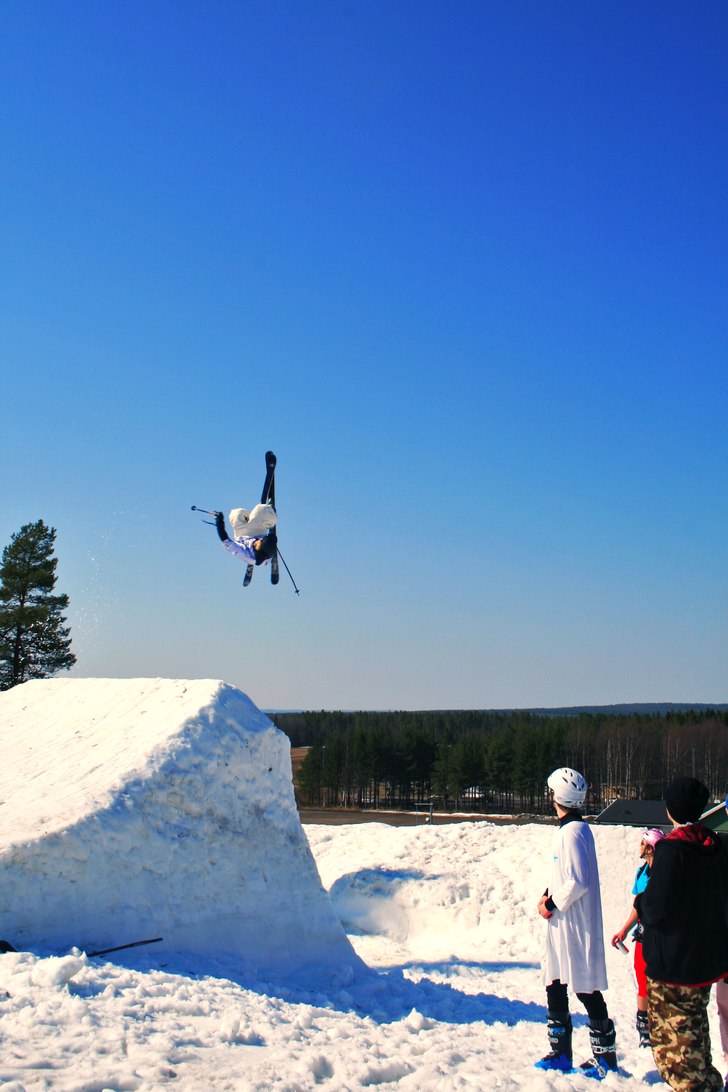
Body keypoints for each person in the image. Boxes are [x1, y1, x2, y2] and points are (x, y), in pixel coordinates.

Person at [634, 776, 728, 1092]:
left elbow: (656, 908)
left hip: (674, 966)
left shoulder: (672, 851)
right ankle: (710, 1084)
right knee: (694, 1035)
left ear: (670, 809)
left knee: (672, 1051)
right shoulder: (715, 845)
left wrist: (639, 902)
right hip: (706, 963)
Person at [535, 766, 617, 1079]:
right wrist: (547, 895)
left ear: (558, 797)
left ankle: (605, 1057)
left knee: (585, 987)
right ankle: (560, 1052)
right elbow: (563, 875)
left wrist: (552, 903)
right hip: (563, 922)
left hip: (575, 923)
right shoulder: (570, 831)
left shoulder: (573, 833)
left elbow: (578, 880)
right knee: (555, 982)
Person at [611, 827, 666, 1048]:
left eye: (643, 844)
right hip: (643, 937)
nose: (640, 847)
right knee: (642, 983)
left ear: (651, 848)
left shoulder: (664, 875)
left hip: (660, 937)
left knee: (660, 985)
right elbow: (637, 907)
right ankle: (644, 1029)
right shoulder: (641, 873)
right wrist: (624, 929)